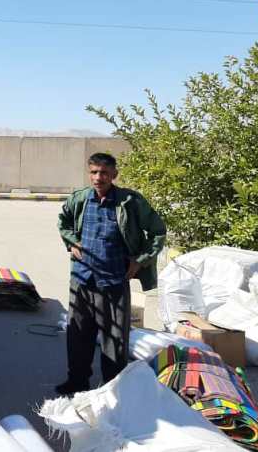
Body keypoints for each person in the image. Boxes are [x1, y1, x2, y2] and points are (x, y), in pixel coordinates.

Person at [56, 152, 166, 395]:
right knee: (78, 336)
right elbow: (62, 222)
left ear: (114, 175)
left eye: (104, 173)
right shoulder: (80, 199)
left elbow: (158, 231)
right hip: (82, 279)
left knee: (114, 341)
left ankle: (113, 390)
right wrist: (72, 242)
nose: (98, 177)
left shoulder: (130, 202)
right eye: (94, 172)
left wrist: (140, 260)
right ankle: (77, 382)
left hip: (114, 281)